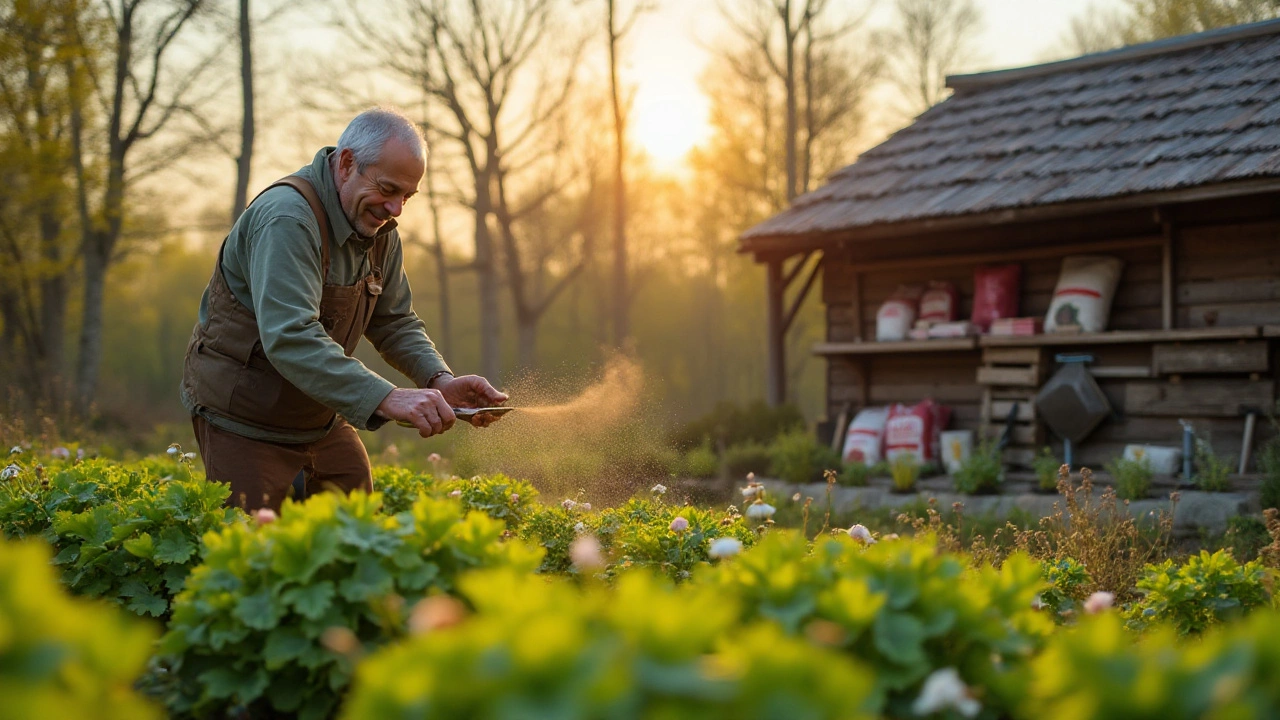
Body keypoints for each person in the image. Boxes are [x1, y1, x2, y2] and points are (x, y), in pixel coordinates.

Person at [180, 107, 506, 512]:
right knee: (254, 551)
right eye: (388, 189)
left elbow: (394, 321)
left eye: (407, 196)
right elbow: (291, 337)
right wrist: (388, 397)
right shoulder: (287, 219)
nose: (396, 209)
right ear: (348, 163)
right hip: (244, 417)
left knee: (354, 519)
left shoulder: (379, 229)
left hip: (316, 415)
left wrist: (437, 378)